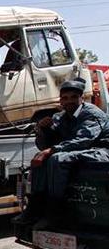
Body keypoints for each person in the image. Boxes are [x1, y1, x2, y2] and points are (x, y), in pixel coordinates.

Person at [19, 79, 109, 223]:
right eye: (65, 98)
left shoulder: (91, 114)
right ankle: (34, 206)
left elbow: (82, 140)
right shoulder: (60, 117)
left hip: (101, 151)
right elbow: (44, 146)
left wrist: (52, 150)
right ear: (60, 101)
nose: (69, 101)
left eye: (74, 97)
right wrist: (44, 130)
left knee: (57, 158)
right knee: (40, 160)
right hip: (80, 152)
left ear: (82, 98)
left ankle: (54, 210)